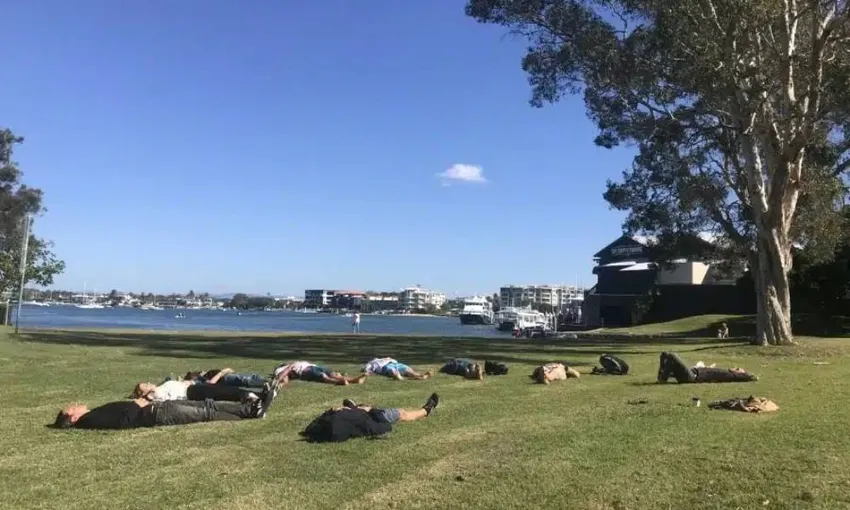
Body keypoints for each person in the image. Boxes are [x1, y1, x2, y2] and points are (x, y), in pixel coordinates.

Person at [53, 389, 277, 430]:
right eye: (71, 408)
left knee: (206, 405)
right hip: (154, 414)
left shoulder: (92, 415)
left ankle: (250, 407)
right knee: (205, 414)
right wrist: (137, 404)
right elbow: (122, 422)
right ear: (72, 417)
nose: (75, 405)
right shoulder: (91, 420)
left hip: (157, 407)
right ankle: (250, 413)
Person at [300, 393, 439, 443]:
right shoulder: (363, 424)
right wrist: (371, 410)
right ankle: (426, 411)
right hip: (371, 416)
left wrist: (331, 411)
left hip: (358, 415)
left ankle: (356, 406)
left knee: (397, 413)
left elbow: (308, 429)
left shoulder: (326, 426)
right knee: (402, 413)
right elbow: (385, 427)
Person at [131, 378, 272, 403]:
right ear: (145, 393)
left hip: (192, 387)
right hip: (191, 393)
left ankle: (257, 394)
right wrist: (146, 397)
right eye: (146, 386)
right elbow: (143, 401)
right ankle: (252, 396)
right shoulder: (155, 394)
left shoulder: (160, 387)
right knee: (222, 393)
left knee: (223, 389)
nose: (149, 383)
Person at [657, 352, 758, 384]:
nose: (736, 367)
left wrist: (751, 376)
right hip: (691, 372)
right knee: (664, 354)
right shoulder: (725, 371)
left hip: (692, 377)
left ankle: (663, 378)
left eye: (738, 369)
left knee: (672, 356)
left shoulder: (729, 375)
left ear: (738, 374)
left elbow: (742, 377)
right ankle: (662, 375)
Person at [273, 360, 366, 386]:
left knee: (333, 375)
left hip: (314, 368)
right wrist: (278, 381)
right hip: (308, 370)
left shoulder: (294, 364)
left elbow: (285, 378)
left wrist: (281, 381)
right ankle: (348, 381)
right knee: (326, 377)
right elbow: (284, 374)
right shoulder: (284, 368)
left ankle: (354, 380)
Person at [184, 368, 268, 389]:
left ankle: (266, 381)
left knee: (250, 377)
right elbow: (210, 383)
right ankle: (264, 383)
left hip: (224, 378)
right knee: (243, 380)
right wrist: (223, 372)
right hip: (224, 379)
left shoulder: (201, 377)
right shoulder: (199, 380)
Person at [362, 357, 432, 381]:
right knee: (398, 376)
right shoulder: (370, 363)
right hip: (386, 367)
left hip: (396, 364)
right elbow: (366, 369)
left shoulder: (381, 358)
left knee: (410, 371)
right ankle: (405, 378)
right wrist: (371, 372)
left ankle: (422, 376)